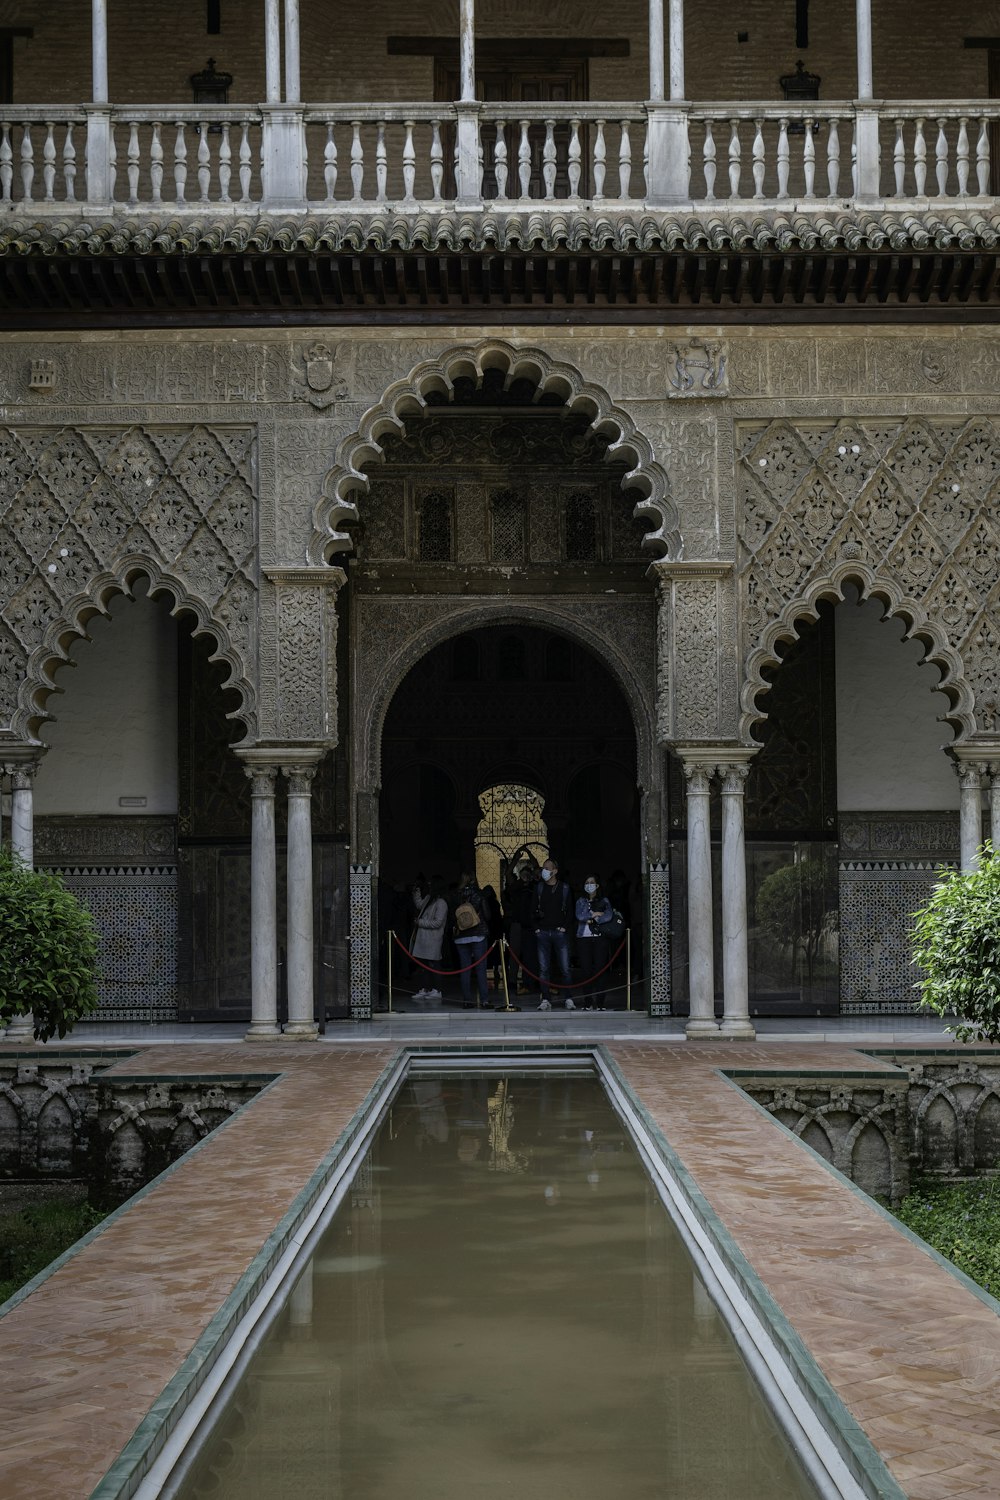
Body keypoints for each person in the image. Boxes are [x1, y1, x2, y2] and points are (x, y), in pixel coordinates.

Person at [531, 857, 575, 1010]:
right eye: (543, 868)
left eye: (547, 868)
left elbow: (570, 911)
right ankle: (545, 999)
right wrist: (536, 928)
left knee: (565, 967)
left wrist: (564, 927)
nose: (544, 871)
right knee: (543, 968)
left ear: (555, 871)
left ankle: (568, 998)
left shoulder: (564, 888)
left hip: (559, 932)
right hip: (542, 932)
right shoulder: (539, 888)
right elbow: (532, 910)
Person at [575, 874, 613, 1010]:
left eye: (592, 882)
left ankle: (601, 1002)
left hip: (600, 937)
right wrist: (595, 914)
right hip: (583, 938)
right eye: (587, 882)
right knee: (586, 970)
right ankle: (588, 1002)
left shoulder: (604, 900)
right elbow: (579, 915)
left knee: (600, 970)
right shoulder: (580, 901)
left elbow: (609, 915)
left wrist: (599, 916)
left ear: (597, 885)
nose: (589, 885)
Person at [453, 872, 490, 1009]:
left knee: (465, 969)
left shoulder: (456, 895)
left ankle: (467, 1000)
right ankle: (485, 1000)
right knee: (481, 969)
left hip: (461, 936)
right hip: (478, 934)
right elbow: (487, 915)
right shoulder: (479, 894)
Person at [411, 877, 448, 1005]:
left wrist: (420, 922)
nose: (429, 886)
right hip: (423, 939)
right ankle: (424, 988)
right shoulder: (429, 899)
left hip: (433, 939)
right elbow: (419, 904)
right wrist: (416, 892)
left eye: (431, 884)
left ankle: (437, 990)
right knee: (423, 966)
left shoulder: (441, 903)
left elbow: (438, 922)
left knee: (434, 965)